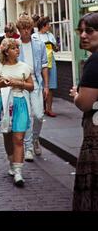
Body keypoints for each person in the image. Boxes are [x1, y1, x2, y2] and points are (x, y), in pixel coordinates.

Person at [0, 38, 34, 186]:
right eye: (14, 48)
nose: (17, 50)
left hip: (20, 103)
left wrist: (18, 83)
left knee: (19, 137)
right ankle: (11, 162)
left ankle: (18, 172)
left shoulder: (24, 67)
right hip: (4, 103)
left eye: (17, 47)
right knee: (8, 136)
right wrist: (2, 83)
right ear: (7, 51)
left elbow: (31, 86)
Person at [70, 13, 98, 211]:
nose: (83, 35)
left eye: (90, 30)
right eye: (81, 31)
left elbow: (86, 103)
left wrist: (75, 95)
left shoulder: (94, 62)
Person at [16, 14, 49, 162]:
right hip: (20, 85)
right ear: (19, 29)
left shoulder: (39, 44)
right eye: (23, 29)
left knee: (39, 115)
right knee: (27, 117)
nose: (26, 31)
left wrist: (46, 86)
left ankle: (36, 138)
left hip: (36, 83)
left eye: (28, 28)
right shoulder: (15, 45)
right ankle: (28, 147)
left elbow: (44, 66)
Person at [37, 16, 58, 117]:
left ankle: (49, 109)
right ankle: (42, 108)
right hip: (40, 63)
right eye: (48, 24)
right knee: (41, 86)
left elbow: (56, 49)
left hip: (51, 62)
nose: (49, 26)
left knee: (51, 86)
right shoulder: (35, 36)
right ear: (43, 26)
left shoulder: (50, 35)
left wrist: (53, 46)